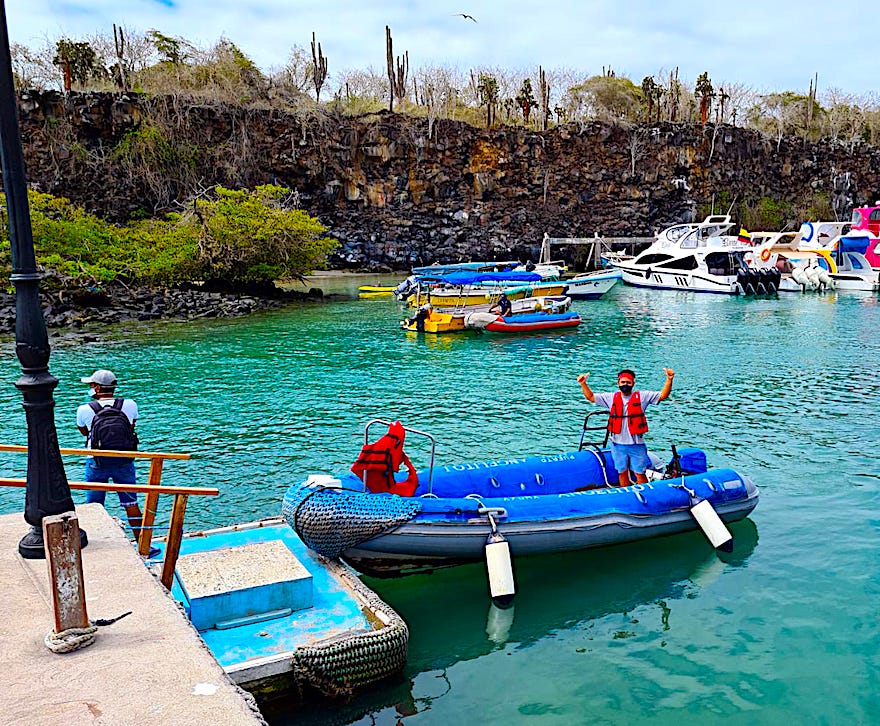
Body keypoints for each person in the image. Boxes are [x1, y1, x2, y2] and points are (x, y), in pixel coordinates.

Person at [76, 369, 154, 553]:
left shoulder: (84, 409)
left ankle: (93, 547)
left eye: (91, 385)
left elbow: (85, 432)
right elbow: (131, 427)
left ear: (96, 388)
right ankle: (143, 545)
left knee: (94, 505)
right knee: (131, 503)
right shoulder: (130, 404)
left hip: (96, 461)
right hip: (124, 461)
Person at [576, 367, 674, 487]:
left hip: (636, 444)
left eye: (628, 382)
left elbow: (663, 395)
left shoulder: (643, 396)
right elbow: (591, 397)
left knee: (640, 473)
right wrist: (583, 384)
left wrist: (669, 380)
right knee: (622, 472)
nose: (625, 385)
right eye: (623, 382)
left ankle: (645, 494)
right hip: (618, 444)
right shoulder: (611, 398)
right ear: (618, 383)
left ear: (633, 383)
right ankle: (626, 493)